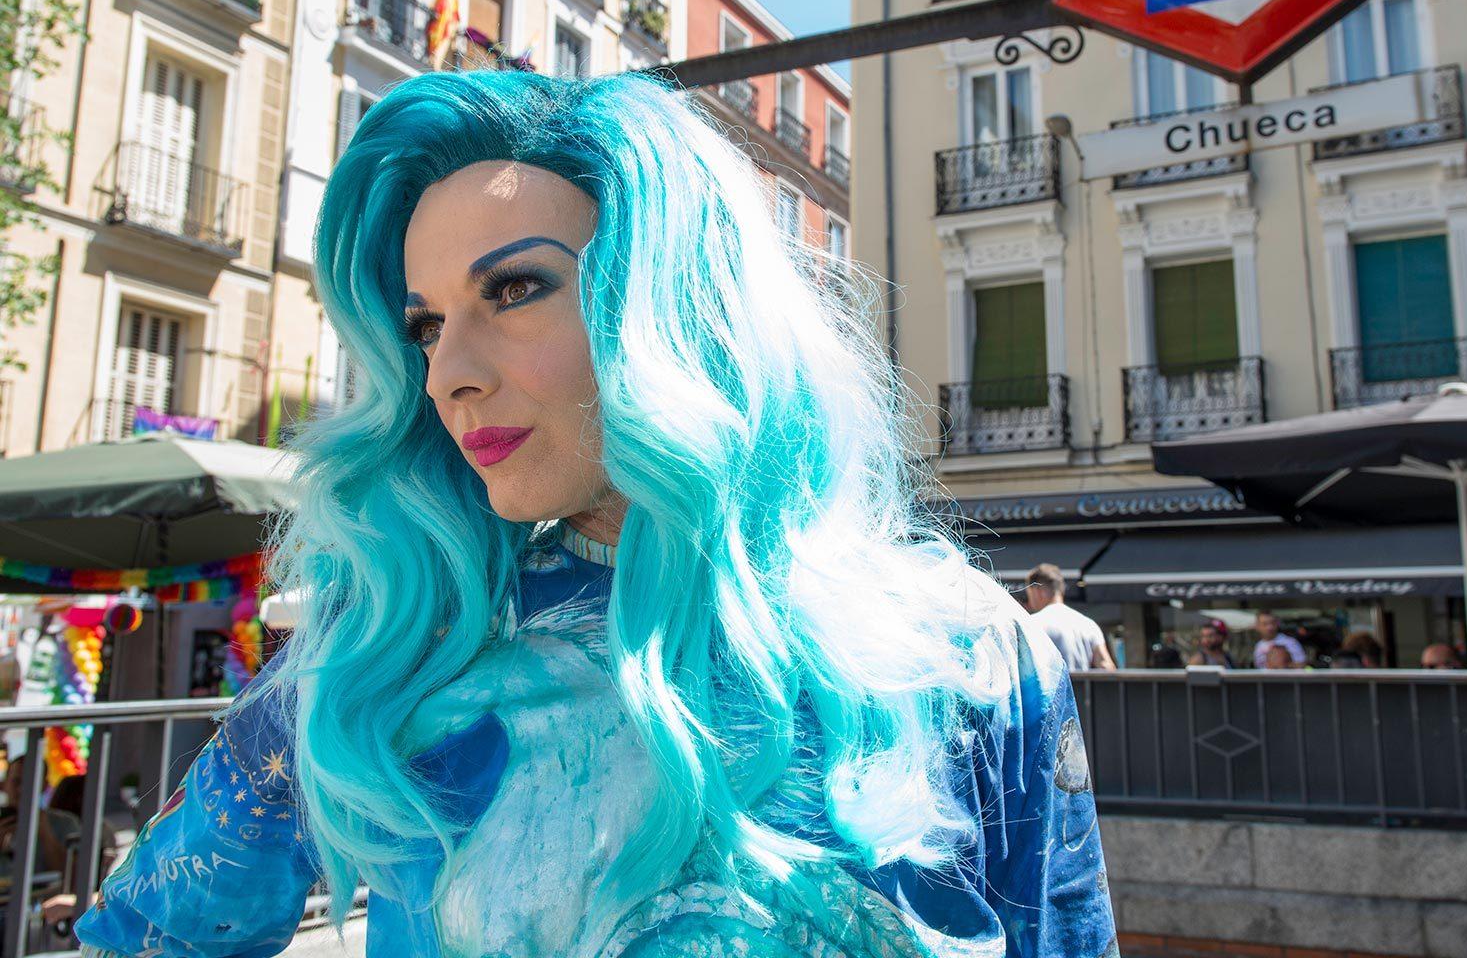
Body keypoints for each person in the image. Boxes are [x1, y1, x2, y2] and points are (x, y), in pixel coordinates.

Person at [75, 72, 1119, 958]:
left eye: (513, 288)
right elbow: (145, 935)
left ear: (671, 296)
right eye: (425, 325)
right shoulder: (382, 656)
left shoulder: (970, 654)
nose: (445, 373)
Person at [1023, 564, 1116, 672]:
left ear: (1038, 591)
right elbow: (1106, 666)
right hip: (1082, 683)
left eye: (1029, 595)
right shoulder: (1088, 624)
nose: (1029, 602)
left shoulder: (1031, 624)